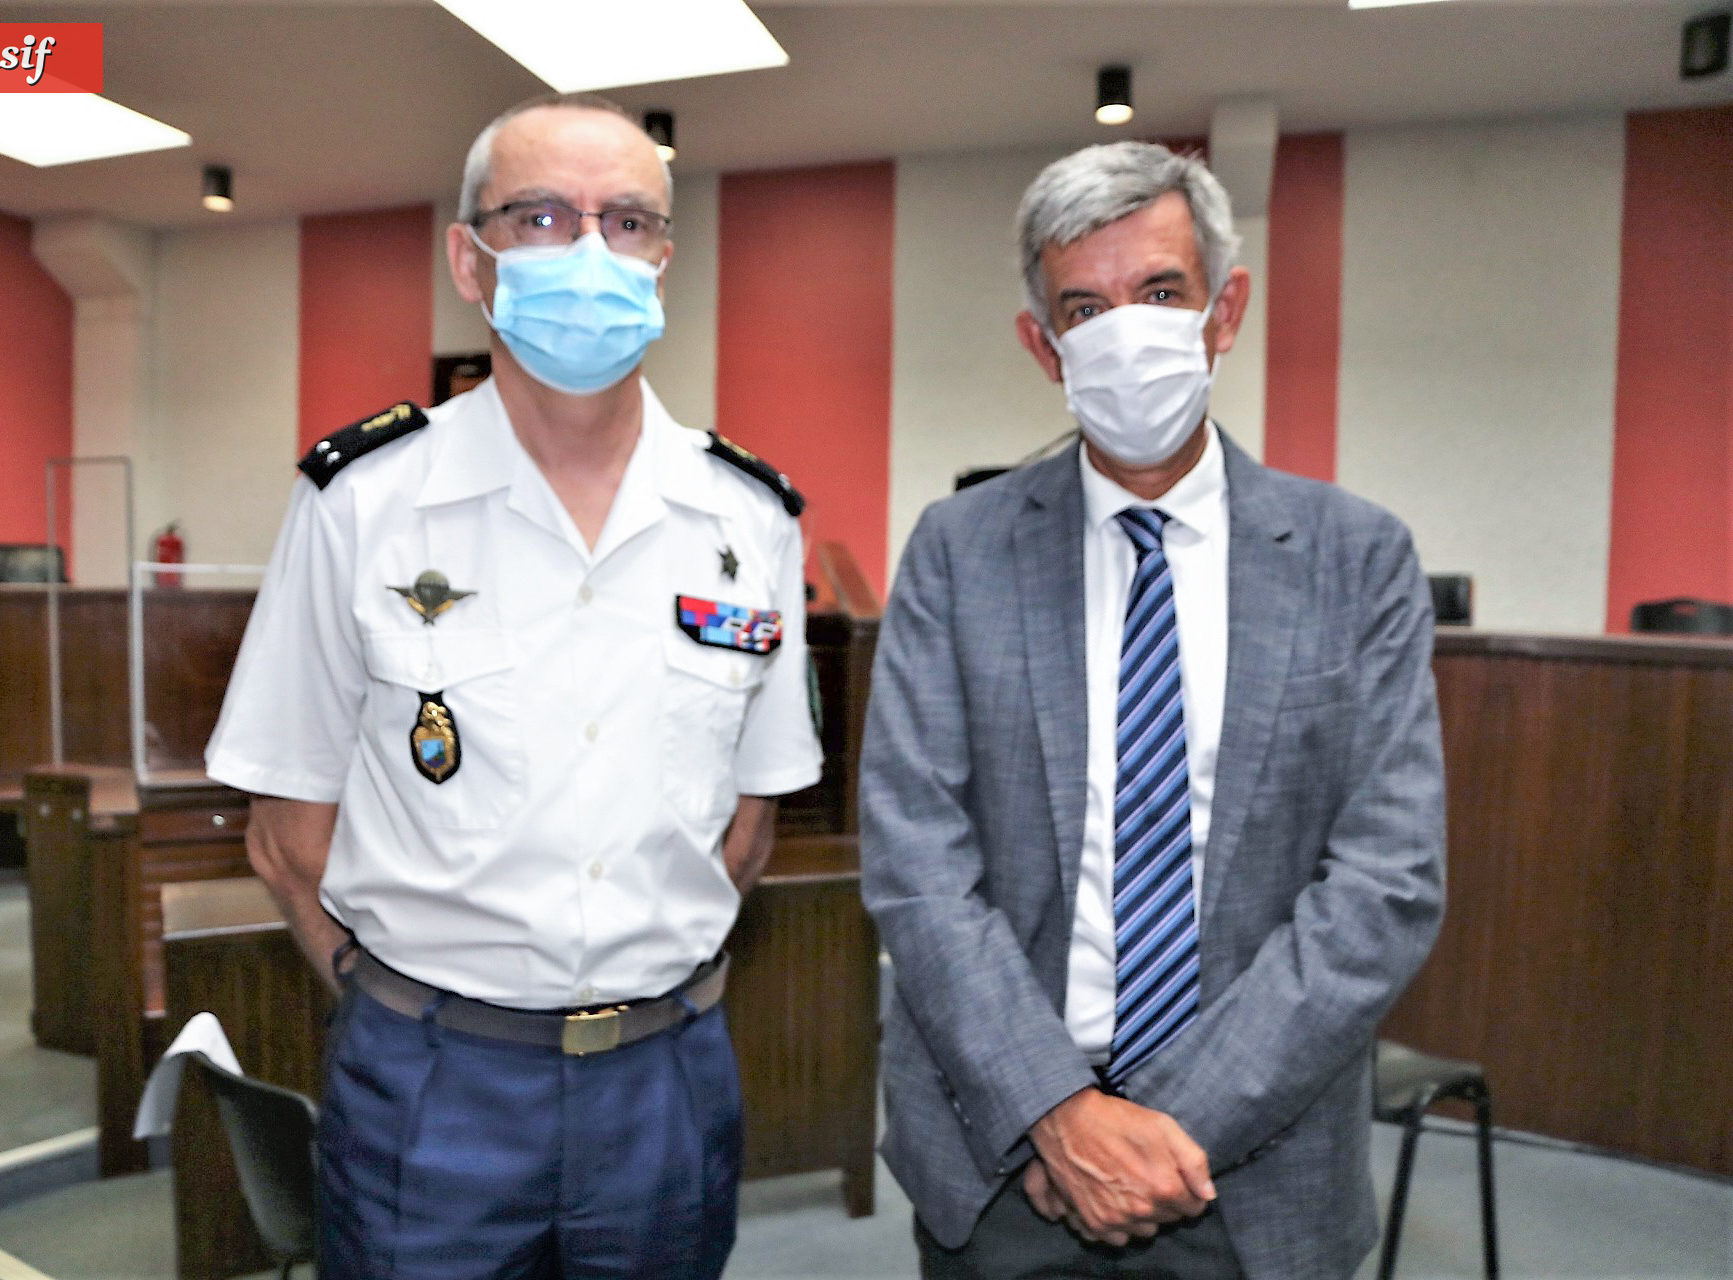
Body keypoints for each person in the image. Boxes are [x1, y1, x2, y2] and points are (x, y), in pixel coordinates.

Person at [205, 94, 821, 1280]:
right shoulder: (364, 500)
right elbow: (288, 829)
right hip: (434, 1082)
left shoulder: (749, 519)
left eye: (627, 221)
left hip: (667, 1077)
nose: (589, 252)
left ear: (664, 259)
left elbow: (749, 823)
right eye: (539, 217)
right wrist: (402, 1002)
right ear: (470, 261)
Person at [859, 140, 1446, 1280]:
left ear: (1225, 313)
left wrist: (1157, 1128)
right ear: (1043, 345)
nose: (1123, 330)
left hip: (1251, 1166)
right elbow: (918, 861)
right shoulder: (955, 551)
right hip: (1005, 1159)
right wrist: (1061, 1111)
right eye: (1085, 306)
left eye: (1160, 292)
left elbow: (1386, 881)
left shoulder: (1356, 558)